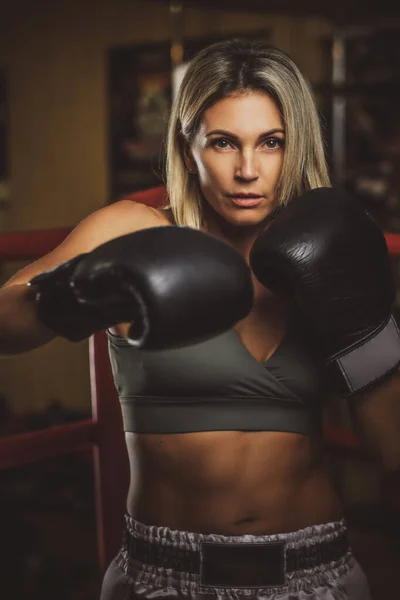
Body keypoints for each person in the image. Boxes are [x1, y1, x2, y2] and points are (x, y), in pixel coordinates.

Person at [1, 38, 400, 599]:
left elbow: (392, 452)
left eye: (271, 143)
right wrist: (76, 293)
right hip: (166, 574)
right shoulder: (133, 230)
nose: (246, 170)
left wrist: (366, 328)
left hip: (316, 573)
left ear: (297, 145)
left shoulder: (328, 249)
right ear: (187, 146)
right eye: (222, 142)